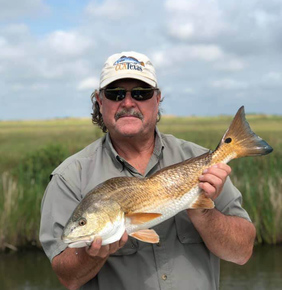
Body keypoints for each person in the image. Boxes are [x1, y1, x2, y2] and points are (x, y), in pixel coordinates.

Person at [39, 51, 256, 290]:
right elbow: (66, 276)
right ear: (100, 102)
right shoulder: (69, 177)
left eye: (141, 93)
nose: (128, 102)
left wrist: (203, 211)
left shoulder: (199, 159)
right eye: (115, 94)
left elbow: (242, 252)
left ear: (157, 99)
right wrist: (93, 255)